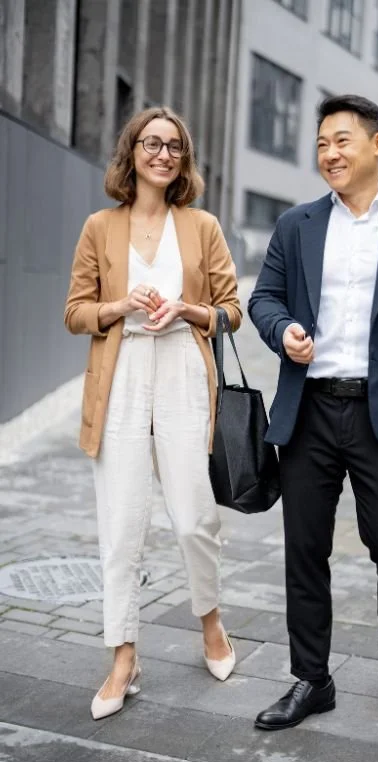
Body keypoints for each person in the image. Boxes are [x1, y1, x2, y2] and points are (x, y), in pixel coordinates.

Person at [248, 95, 378, 730]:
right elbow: (263, 298)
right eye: (320, 144)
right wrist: (283, 329)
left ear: (377, 144)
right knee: (304, 549)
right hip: (310, 408)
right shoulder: (297, 225)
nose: (329, 154)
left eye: (341, 141)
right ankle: (311, 679)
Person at [65, 106, 241, 720]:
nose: (163, 153)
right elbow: (75, 312)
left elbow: (231, 310)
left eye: (174, 145)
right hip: (121, 373)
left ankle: (211, 623)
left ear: (183, 159)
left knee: (194, 516)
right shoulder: (99, 226)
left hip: (183, 371)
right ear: (132, 151)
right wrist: (119, 305)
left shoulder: (201, 226)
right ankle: (123, 655)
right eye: (151, 143)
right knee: (122, 523)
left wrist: (189, 310)